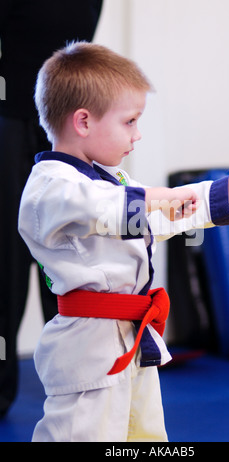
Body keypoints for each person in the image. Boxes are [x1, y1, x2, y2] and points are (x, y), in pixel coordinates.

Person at [18, 41, 229, 442]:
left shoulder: (116, 184)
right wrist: (159, 195)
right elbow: (99, 210)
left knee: (143, 435)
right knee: (81, 434)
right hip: (86, 345)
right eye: (129, 122)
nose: (137, 135)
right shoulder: (52, 188)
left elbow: (166, 215)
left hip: (134, 337)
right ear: (83, 122)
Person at [0, 0, 103, 418]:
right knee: (6, 265)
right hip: (8, 124)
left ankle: (74, 383)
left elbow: (76, 60)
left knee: (68, 260)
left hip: (62, 129)